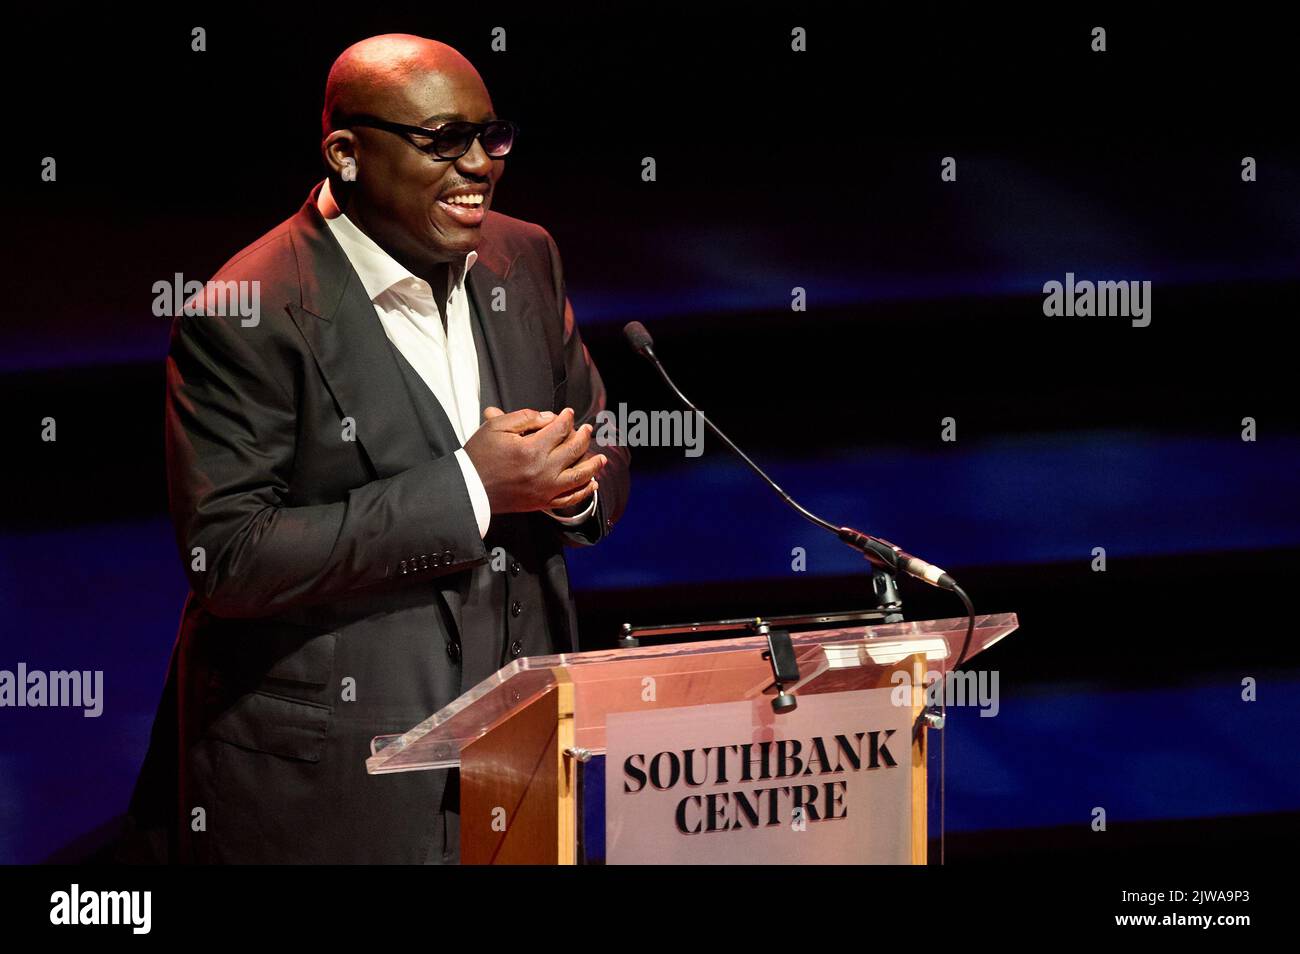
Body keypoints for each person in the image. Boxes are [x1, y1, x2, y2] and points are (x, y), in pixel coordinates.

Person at [117, 33, 630, 864]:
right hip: (338, 787)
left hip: (523, 754)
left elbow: (596, 437)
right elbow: (230, 556)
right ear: (346, 154)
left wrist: (571, 484)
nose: (478, 166)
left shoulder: (524, 254)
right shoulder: (247, 310)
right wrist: (472, 487)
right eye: (441, 142)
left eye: (489, 137)